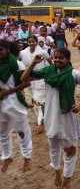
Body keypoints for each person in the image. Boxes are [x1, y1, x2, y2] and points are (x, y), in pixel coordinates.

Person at [21, 48, 80, 189]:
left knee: (70, 149)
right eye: (55, 58)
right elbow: (24, 78)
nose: (58, 60)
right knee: (53, 147)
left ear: (68, 59)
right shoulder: (48, 71)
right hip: (51, 115)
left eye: (61, 58)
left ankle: (67, 179)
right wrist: (33, 63)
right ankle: (57, 171)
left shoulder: (74, 74)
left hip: (68, 115)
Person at [0, 40, 32, 173]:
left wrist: (10, 91)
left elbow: (27, 82)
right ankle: (7, 157)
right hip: (1, 103)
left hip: (14, 101)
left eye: (1, 50)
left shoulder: (17, 63)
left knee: (21, 130)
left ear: (7, 50)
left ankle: (27, 156)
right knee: (2, 133)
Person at [19, 35, 53, 134]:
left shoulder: (42, 52)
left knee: (40, 100)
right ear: (27, 42)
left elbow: (50, 62)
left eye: (33, 41)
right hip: (28, 78)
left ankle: (41, 122)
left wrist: (54, 72)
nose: (31, 43)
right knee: (34, 98)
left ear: (36, 42)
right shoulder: (23, 52)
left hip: (40, 78)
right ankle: (41, 116)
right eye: (29, 42)